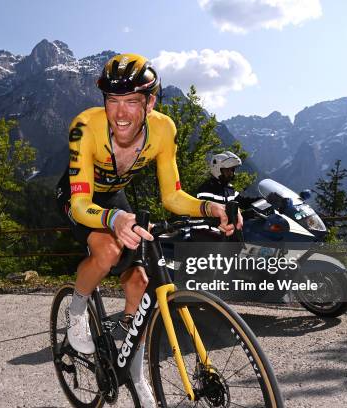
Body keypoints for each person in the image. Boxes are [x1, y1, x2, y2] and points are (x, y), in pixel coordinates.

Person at [55, 53, 241, 407]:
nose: (120, 113)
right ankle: (77, 309)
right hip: (78, 195)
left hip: (114, 196)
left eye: (132, 102)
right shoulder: (85, 126)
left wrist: (208, 207)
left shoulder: (164, 129)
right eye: (113, 100)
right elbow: (81, 205)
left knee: (140, 283)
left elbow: (171, 196)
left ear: (150, 102)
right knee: (108, 251)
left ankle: (135, 372)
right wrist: (113, 220)